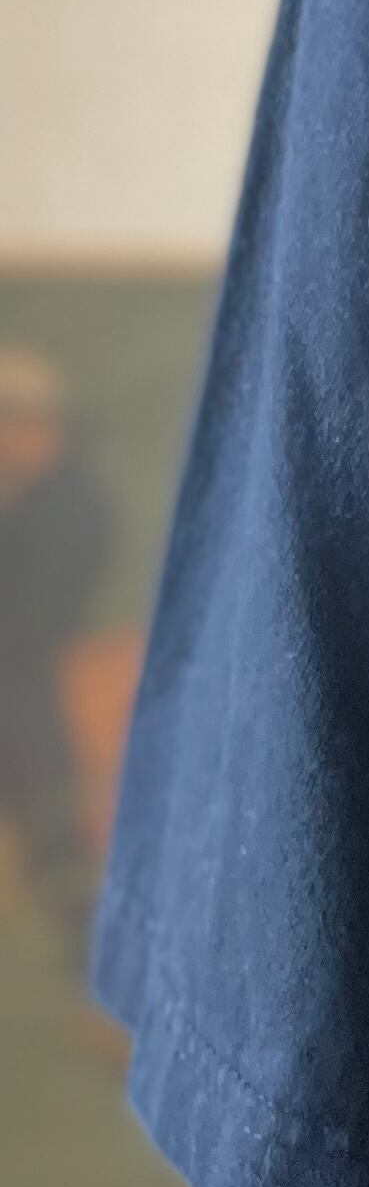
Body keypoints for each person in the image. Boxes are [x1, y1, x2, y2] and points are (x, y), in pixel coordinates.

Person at [0, 344, 112, 982]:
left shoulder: (69, 508)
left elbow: (34, 618)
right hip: (26, 697)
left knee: (58, 843)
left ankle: (93, 975)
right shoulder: (27, 501)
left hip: (43, 698)